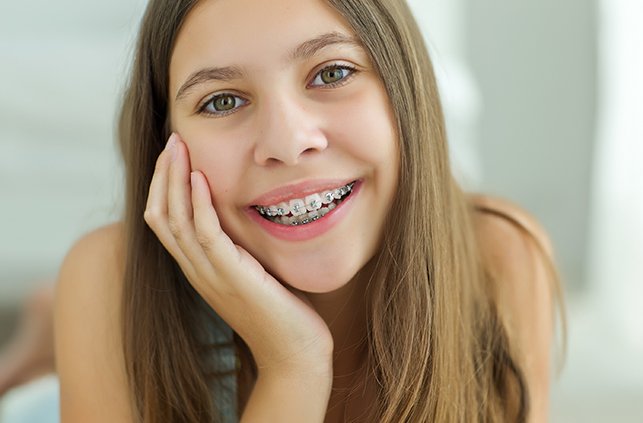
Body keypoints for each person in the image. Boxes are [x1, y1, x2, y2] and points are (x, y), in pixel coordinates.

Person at [54, 0, 564, 422]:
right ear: (165, 144)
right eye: (222, 102)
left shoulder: (501, 257)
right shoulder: (109, 279)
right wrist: (293, 366)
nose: (287, 142)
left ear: (404, 87)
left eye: (333, 72)